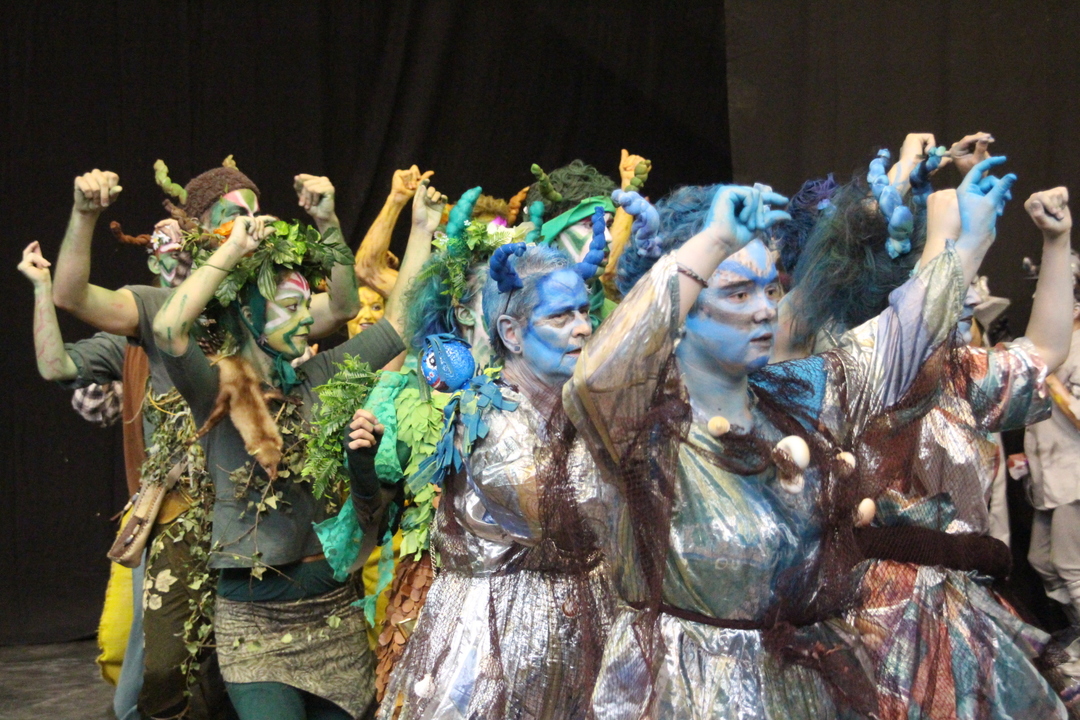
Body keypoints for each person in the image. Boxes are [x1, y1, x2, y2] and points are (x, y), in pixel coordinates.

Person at [566, 158, 1011, 719]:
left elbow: (898, 339)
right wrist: (713, 241)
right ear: (679, 314)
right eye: (736, 294)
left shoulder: (793, 399)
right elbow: (594, 376)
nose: (765, 311)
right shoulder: (640, 426)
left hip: (798, 689)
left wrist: (970, 243)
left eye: (770, 289)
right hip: (683, 696)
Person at [776, 138, 1077, 717]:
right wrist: (912, 212)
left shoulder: (959, 374)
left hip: (959, 611)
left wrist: (1056, 241)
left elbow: (1045, 351)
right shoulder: (846, 373)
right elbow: (802, 323)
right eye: (946, 277)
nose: (962, 293)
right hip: (865, 617)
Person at [152, 198, 415, 717]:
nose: (306, 317)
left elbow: (400, 324)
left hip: (333, 616)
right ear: (249, 316)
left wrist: (423, 225)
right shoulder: (215, 387)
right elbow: (167, 329)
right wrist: (233, 248)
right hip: (254, 627)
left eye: (305, 305)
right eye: (289, 307)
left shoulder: (320, 375)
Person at [379, 223, 614, 719]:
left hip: (581, 638)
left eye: (584, 312)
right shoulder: (482, 415)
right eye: (560, 316)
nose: (583, 328)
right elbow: (554, 515)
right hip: (493, 648)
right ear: (511, 333)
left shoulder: (580, 409)